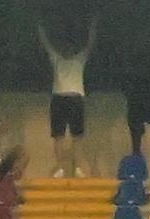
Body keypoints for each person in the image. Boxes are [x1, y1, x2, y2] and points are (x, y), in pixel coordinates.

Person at [42, 18, 95, 179]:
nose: (67, 51)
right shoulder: (56, 59)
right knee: (58, 136)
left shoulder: (80, 59)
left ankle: (78, 167)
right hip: (59, 98)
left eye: (70, 48)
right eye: (65, 48)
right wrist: (40, 28)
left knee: (77, 137)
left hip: (75, 99)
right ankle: (60, 168)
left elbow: (90, 44)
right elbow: (46, 44)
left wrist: (93, 28)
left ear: (73, 49)